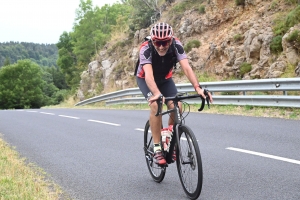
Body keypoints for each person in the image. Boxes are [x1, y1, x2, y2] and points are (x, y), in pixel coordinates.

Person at [136, 22, 213, 165]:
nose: (160, 46)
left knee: (177, 106)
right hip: (146, 80)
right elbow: (148, 76)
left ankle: (169, 137)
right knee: (155, 106)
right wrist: (157, 93)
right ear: (152, 40)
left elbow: (186, 68)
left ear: (170, 40)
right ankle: (158, 148)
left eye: (164, 42)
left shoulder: (176, 45)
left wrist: (198, 88)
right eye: (157, 42)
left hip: (165, 79)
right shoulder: (145, 48)